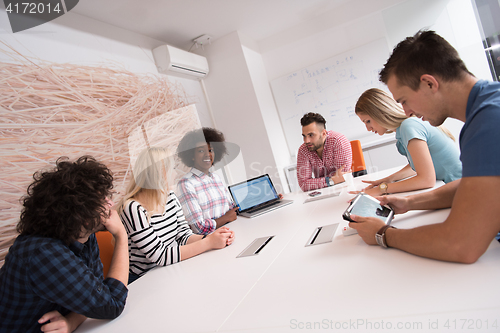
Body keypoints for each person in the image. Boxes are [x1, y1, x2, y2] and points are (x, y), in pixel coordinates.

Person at [349, 30, 500, 263]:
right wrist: (409, 203)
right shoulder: (487, 106)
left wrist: (383, 234)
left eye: (403, 101)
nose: (406, 112)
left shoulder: (489, 122)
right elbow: (471, 185)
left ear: (429, 83)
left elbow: (461, 244)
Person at [0, 156, 129, 333]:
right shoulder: (44, 254)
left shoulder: (82, 235)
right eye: (103, 199)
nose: (111, 204)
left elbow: (96, 292)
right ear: (82, 216)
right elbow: (112, 305)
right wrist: (122, 236)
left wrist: (71, 321)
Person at [118, 147, 234, 283]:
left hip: (171, 268)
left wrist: (214, 237)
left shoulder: (170, 197)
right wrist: (208, 242)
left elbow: (183, 235)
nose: (175, 174)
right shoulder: (132, 208)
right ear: (160, 173)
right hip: (143, 280)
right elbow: (160, 256)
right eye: (172, 169)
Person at [352, 88, 461, 196]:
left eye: (368, 121)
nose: (368, 128)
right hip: (454, 187)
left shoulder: (409, 126)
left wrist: (381, 189)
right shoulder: (406, 126)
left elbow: (426, 180)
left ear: (379, 113)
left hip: (461, 189)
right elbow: (418, 167)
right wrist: (388, 180)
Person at [177, 128, 238, 235]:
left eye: (211, 150)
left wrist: (268, 200)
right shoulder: (186, 184)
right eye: (201, 151)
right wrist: (226, 218)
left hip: (232, 231)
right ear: (191, 155)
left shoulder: (215, 178)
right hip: (212, 240)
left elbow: (232, 208)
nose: (207, 155)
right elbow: (198, 228)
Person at [296, 112, 352, 191]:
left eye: (311, 135)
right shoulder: (303, 150)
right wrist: (331, 180)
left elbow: (342, 176)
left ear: (323, 133)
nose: (306, 141)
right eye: (304, 136)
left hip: (345, 188)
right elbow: (304, 184)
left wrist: (315, 182)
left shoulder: (338, 141)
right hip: (322, 192)